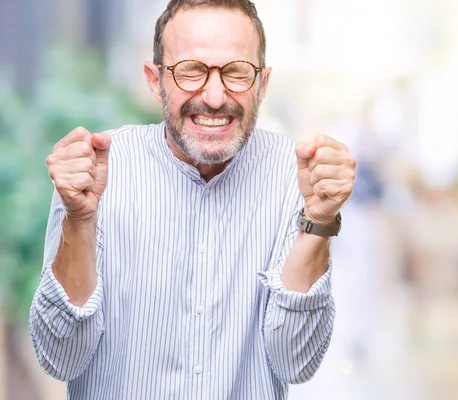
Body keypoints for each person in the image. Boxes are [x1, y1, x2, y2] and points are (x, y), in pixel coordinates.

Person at [28, 1, 356, 399]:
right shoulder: (94, 172)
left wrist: (317, 222)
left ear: (262, 84)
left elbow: (296, 362)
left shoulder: (296, 177)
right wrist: (79, 221)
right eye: (191, 71)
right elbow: (60, 358)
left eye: (236, 72)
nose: (215, 97)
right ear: (155, 80)